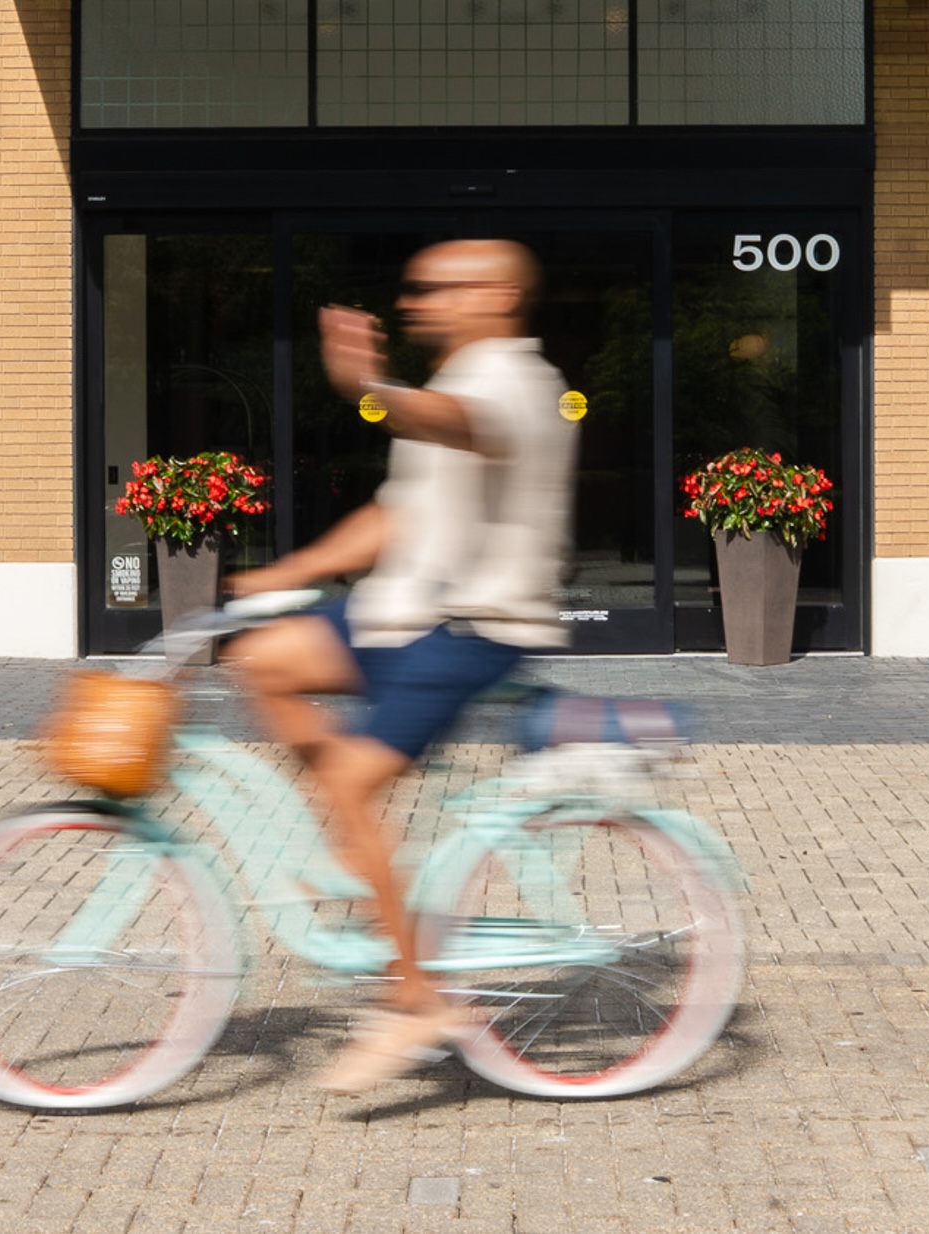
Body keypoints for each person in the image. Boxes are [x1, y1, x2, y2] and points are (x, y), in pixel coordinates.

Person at [222, 239, 577, 1095]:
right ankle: (361, 847)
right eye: (413, 286)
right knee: (263, 659)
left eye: (437, 288)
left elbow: (461, 429)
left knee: (345, 784)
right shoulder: (451, 382)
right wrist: (283, 576)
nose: (416, 300)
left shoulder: (520, 385)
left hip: (474, 627)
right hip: (401, 609)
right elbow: (396, 516)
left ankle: (418, 1001)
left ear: (497, 297)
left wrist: (369, 392)